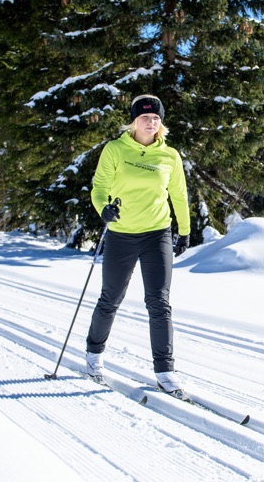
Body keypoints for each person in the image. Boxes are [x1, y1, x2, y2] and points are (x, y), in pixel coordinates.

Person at [84, 94, 193, 396]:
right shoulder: (115, 150)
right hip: (121, 234)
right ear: (133, 120)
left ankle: (165, 371)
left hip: (157, 232)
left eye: (156, 118)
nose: (151, 122)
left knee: (159, 303)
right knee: (111, 298)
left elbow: (179, 195)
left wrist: (184, 231)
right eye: (145, 117)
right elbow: (100, 187)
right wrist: (103, 208)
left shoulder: (169, 156)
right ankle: (94, 355)